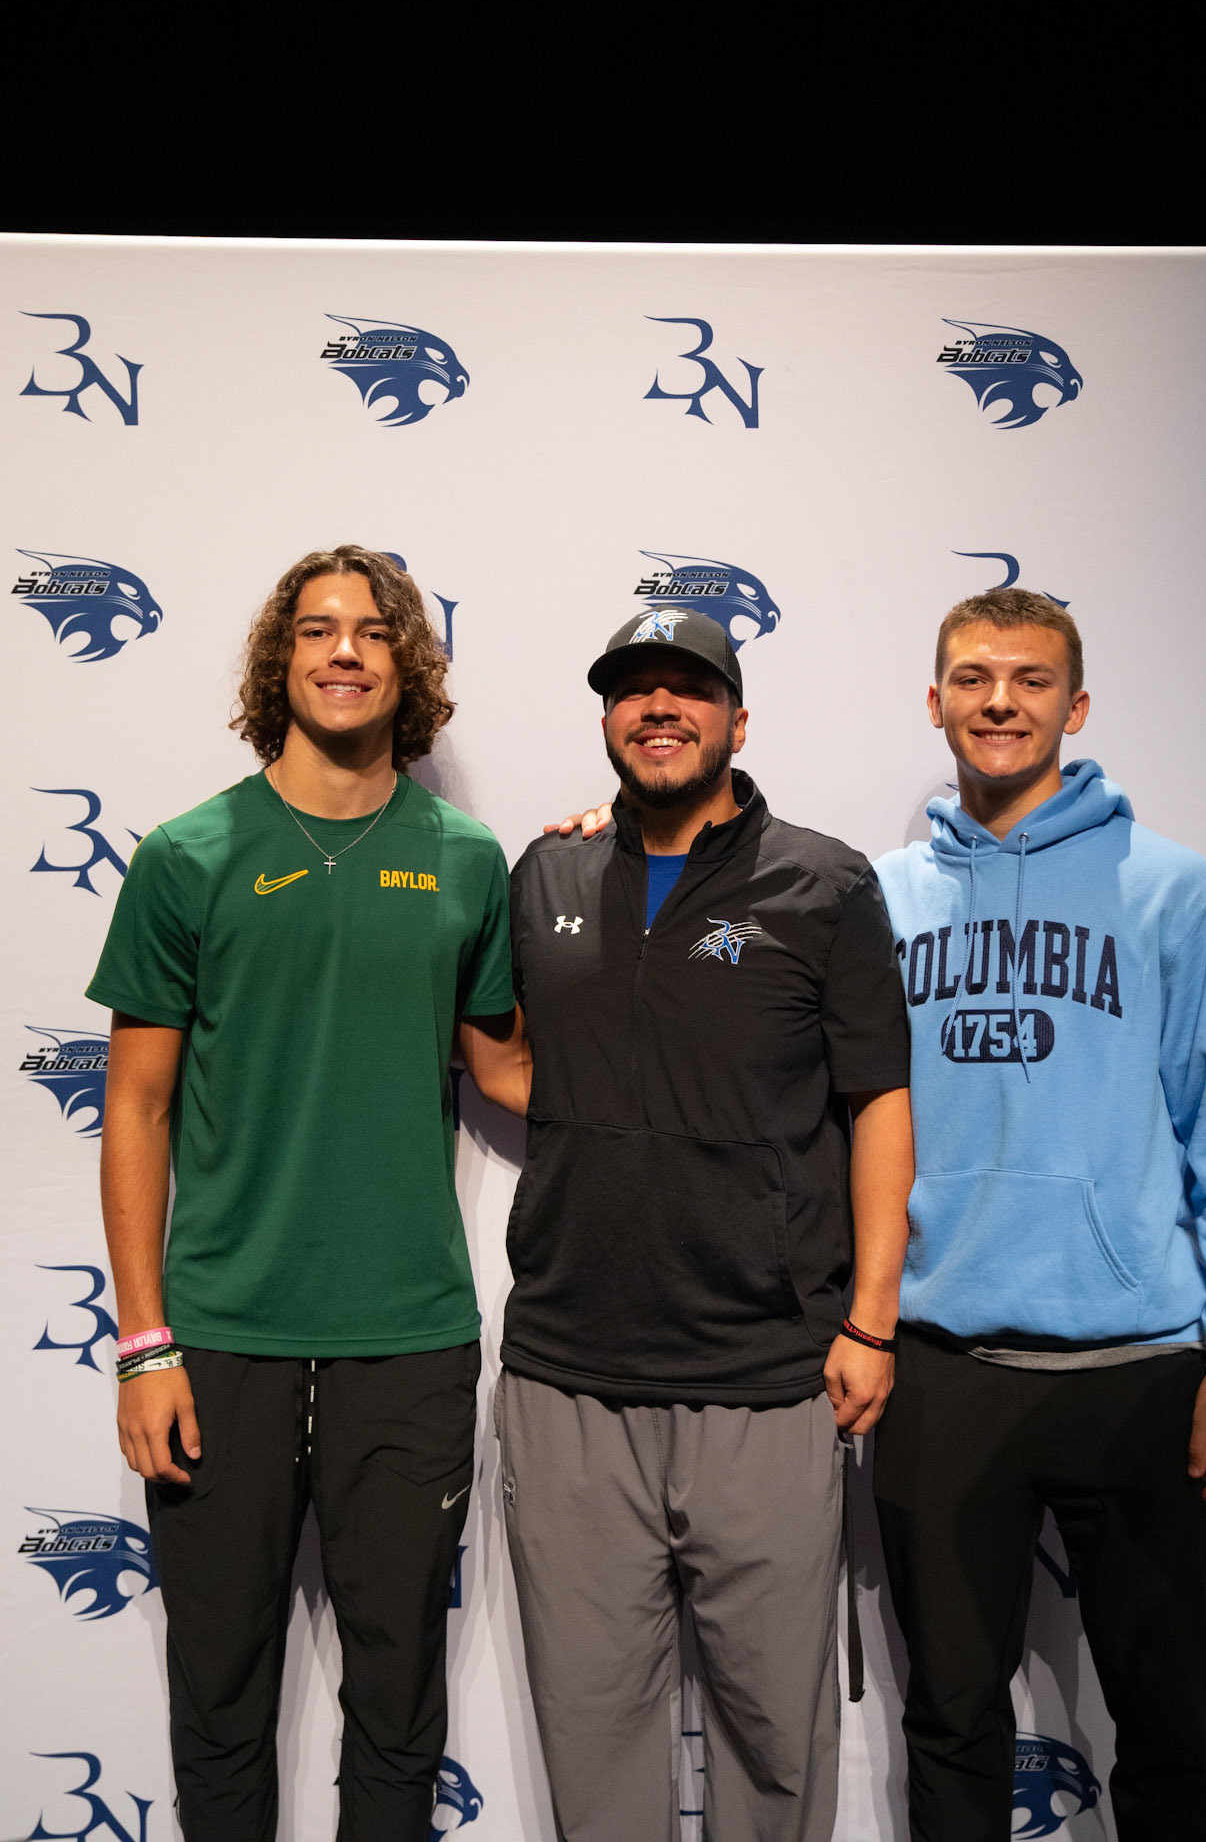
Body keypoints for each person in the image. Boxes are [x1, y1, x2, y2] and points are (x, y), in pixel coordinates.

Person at [88, 545, 530, 1842]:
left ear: (410, 664)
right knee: (220, 1695)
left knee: (399, 1700)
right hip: (221, 1337)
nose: (346, 650)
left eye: (374, 630)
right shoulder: (188, 855)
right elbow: (135, 1107)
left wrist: (623, 886)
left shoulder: (467, 857)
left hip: (409, 1334)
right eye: (318, 628)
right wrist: (144, 1343)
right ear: (279, 660)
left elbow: (509, 1066)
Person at [869, 586, 1206, 1842]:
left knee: (1168, 1724)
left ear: (1078, 703)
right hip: (943, 1366)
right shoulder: (881, 897)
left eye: (1031, 678)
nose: (1000, 700)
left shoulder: (1174, 890)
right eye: (973, 676)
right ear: (936, 699)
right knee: (952, 1722)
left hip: (1141, 1370)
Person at [500, 607, 914, 1842]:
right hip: (569, 1370)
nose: (660, 707)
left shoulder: (825, 881)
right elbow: (501, 1053)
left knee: (776, 1738)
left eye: (689, 686)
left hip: (769, 1371)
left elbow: (878, 1102)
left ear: (738, 718)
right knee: (592, 1739)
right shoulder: (548, 872)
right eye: (635, 689)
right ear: (609, 718)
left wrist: (872, 1319)